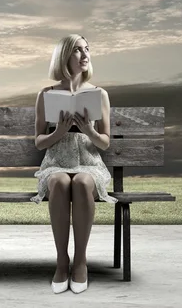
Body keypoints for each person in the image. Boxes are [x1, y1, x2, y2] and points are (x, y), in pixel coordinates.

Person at [31, 34, 118, 294]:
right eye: (77, 50)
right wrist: (59, 131)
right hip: (56, 161)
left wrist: (88, 131)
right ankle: (61, 261)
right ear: (64, 56)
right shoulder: (46, 94)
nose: (84, 54)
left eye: (87, 49)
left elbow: (104, 143)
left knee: (80, 182)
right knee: (59, 181)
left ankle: (80, 261)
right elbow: (39, 142)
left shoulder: (99, 94)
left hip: (89, 163)